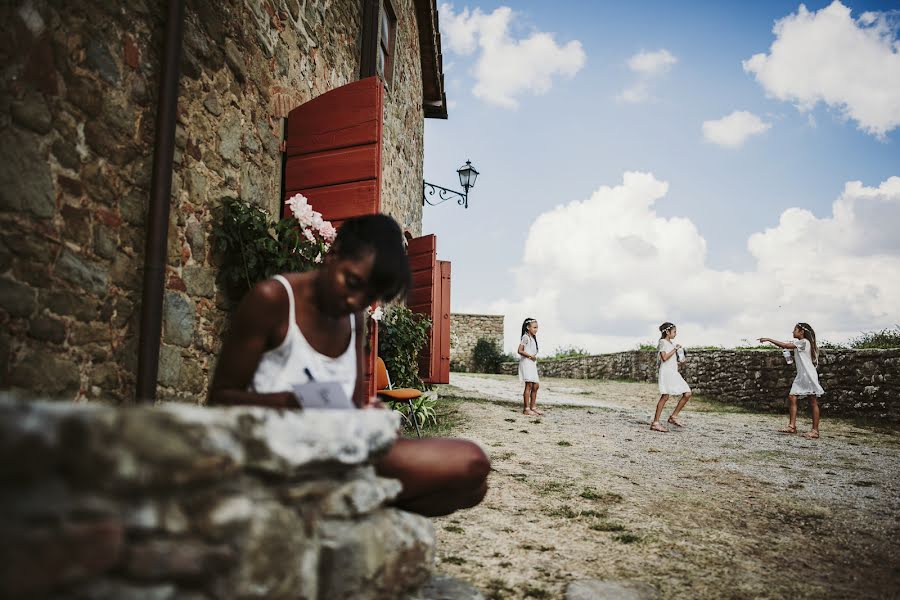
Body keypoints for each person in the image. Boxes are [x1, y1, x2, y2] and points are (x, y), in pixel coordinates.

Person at [208, 214, 490, 516]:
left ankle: (341, 506)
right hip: (281, 451)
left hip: (340, 449)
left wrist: (369, 415)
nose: (354, 300)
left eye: (368, 297)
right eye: (352, 282)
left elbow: (353, 404)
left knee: (473, 484)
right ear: (333, 255)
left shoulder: (354, 319)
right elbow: (219, 401)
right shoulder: (274, 299)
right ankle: (338, 505)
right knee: (470, 462)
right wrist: (288, 403)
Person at [759, 323, 825, 439]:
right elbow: (787, 347)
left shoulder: (804, 342)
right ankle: (792, 426)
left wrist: (769, 339)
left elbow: (785, 345)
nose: (793, 332)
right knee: (792, 397)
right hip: (801, 375)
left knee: (813, 401)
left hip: (808, 375)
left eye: (795, 330)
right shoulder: (801, 343)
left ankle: (815, 431)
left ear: (801, 332)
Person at [650, 322, 692, 432]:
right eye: (674, 332)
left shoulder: (671, 344)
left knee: (687, 393)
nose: (676, 334)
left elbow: (670, 361)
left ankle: (673, 416)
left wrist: (680, 363)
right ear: (667, 332)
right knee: (665, 396)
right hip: (667, 373)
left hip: (673, 372)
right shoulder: (662, 342)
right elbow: (664, 358)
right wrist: (675, 349)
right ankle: (655, 423)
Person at [517, 318, 541, 416]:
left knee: (536, 385)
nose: (536, 329)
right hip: (526, 362)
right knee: (529, 385)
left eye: (537, 327)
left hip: (532, 363)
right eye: (534, 327)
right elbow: (520, 350)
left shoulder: (532, 338)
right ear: (528, 327)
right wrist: (530, 356)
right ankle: (526, 409)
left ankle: (533, 407)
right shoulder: (525, 337)